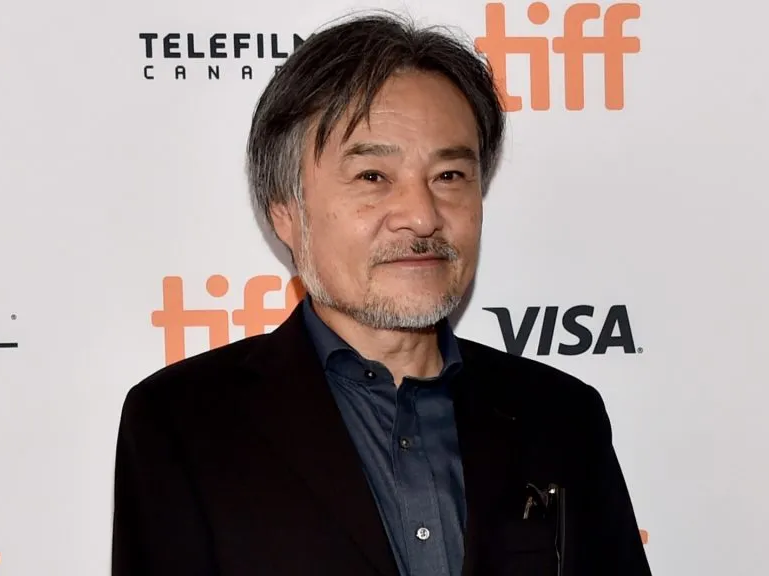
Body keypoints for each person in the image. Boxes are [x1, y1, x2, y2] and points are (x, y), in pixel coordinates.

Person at [111, 11, 652, 576]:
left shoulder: (562, 416)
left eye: (449, 177)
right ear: (286, 213)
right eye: (372, 176)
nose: (421, 216)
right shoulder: (185, 423)